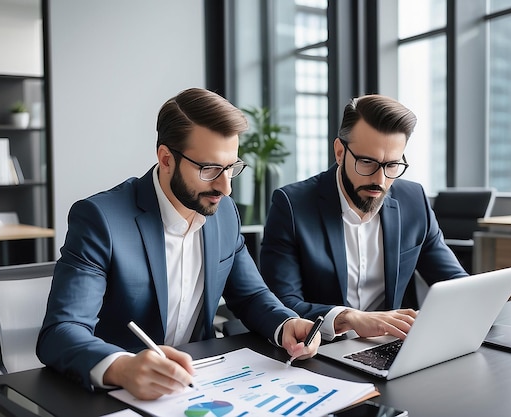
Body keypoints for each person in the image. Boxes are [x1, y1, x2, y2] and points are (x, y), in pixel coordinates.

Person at [37, 88, 320, 400]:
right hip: (121, 394)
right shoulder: (101, 219)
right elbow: (61, 332)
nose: (225, 188)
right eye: (209, 169)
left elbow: (251, 296)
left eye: (231, 168)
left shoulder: (223, 213)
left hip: (201, 385)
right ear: (166, 158)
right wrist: (123, 367)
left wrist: (286, 323)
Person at [260, 94, 468, 343]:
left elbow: (455, 284)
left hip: (391, 345)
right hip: (321, 349)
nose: (380, 180)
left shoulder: (414, 200)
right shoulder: (292, 205)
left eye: (392, 165)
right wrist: (347, 317)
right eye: (367, 162)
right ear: (339, 152)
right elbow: (282, 302)